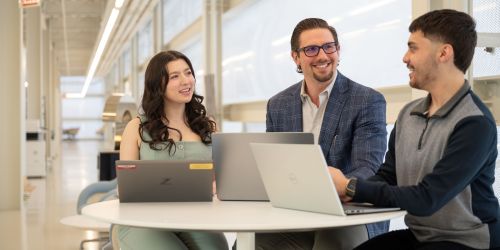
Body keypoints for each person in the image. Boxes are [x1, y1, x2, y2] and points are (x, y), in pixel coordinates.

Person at [331, 9, 500, 250]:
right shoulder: (409, 114)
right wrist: (347, 191)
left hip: (468, 241)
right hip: (421, 236)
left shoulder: (474, 123)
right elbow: (389, 177)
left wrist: (351, 187)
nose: (405, 57)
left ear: (444, 53)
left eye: (413, 48)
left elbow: (427, 198)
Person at [256, 18, 388, 250]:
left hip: (349, 212)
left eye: (329, 46)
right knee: (248, 243)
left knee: (332, 244)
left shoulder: (367, 100)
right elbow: (274, 166)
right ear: (295, 57)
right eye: (311, 49)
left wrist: (330, 189)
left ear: (338, 49)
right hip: (296, 210)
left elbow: (368, 167)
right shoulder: (278, 105)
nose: (322, 55)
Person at [118, 50, 228, 250]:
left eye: (188, 73)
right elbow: (125, 187)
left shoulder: (208, 125)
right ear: (157, 85)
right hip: (143, 220)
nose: (186, 81)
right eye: (175, 77)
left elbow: (221, 177)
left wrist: (216, 185)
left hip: (196, 216)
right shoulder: (136, 128)